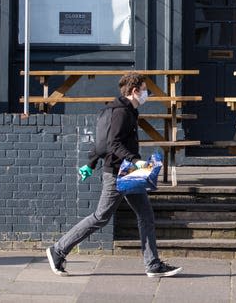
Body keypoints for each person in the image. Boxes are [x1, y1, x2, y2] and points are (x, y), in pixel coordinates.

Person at [46, 72, 182, 278]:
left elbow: (106, 142)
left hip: (129, 173)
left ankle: (152, 264)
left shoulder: (126, 110)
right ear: (135, 91)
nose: (147, 94)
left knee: (145, 215)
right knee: (101, 217)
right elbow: (113, 143)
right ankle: (58, 250)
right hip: (118, 173)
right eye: (145, 90)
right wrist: (135, 161)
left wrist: (97, 163)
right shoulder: (121, 112)